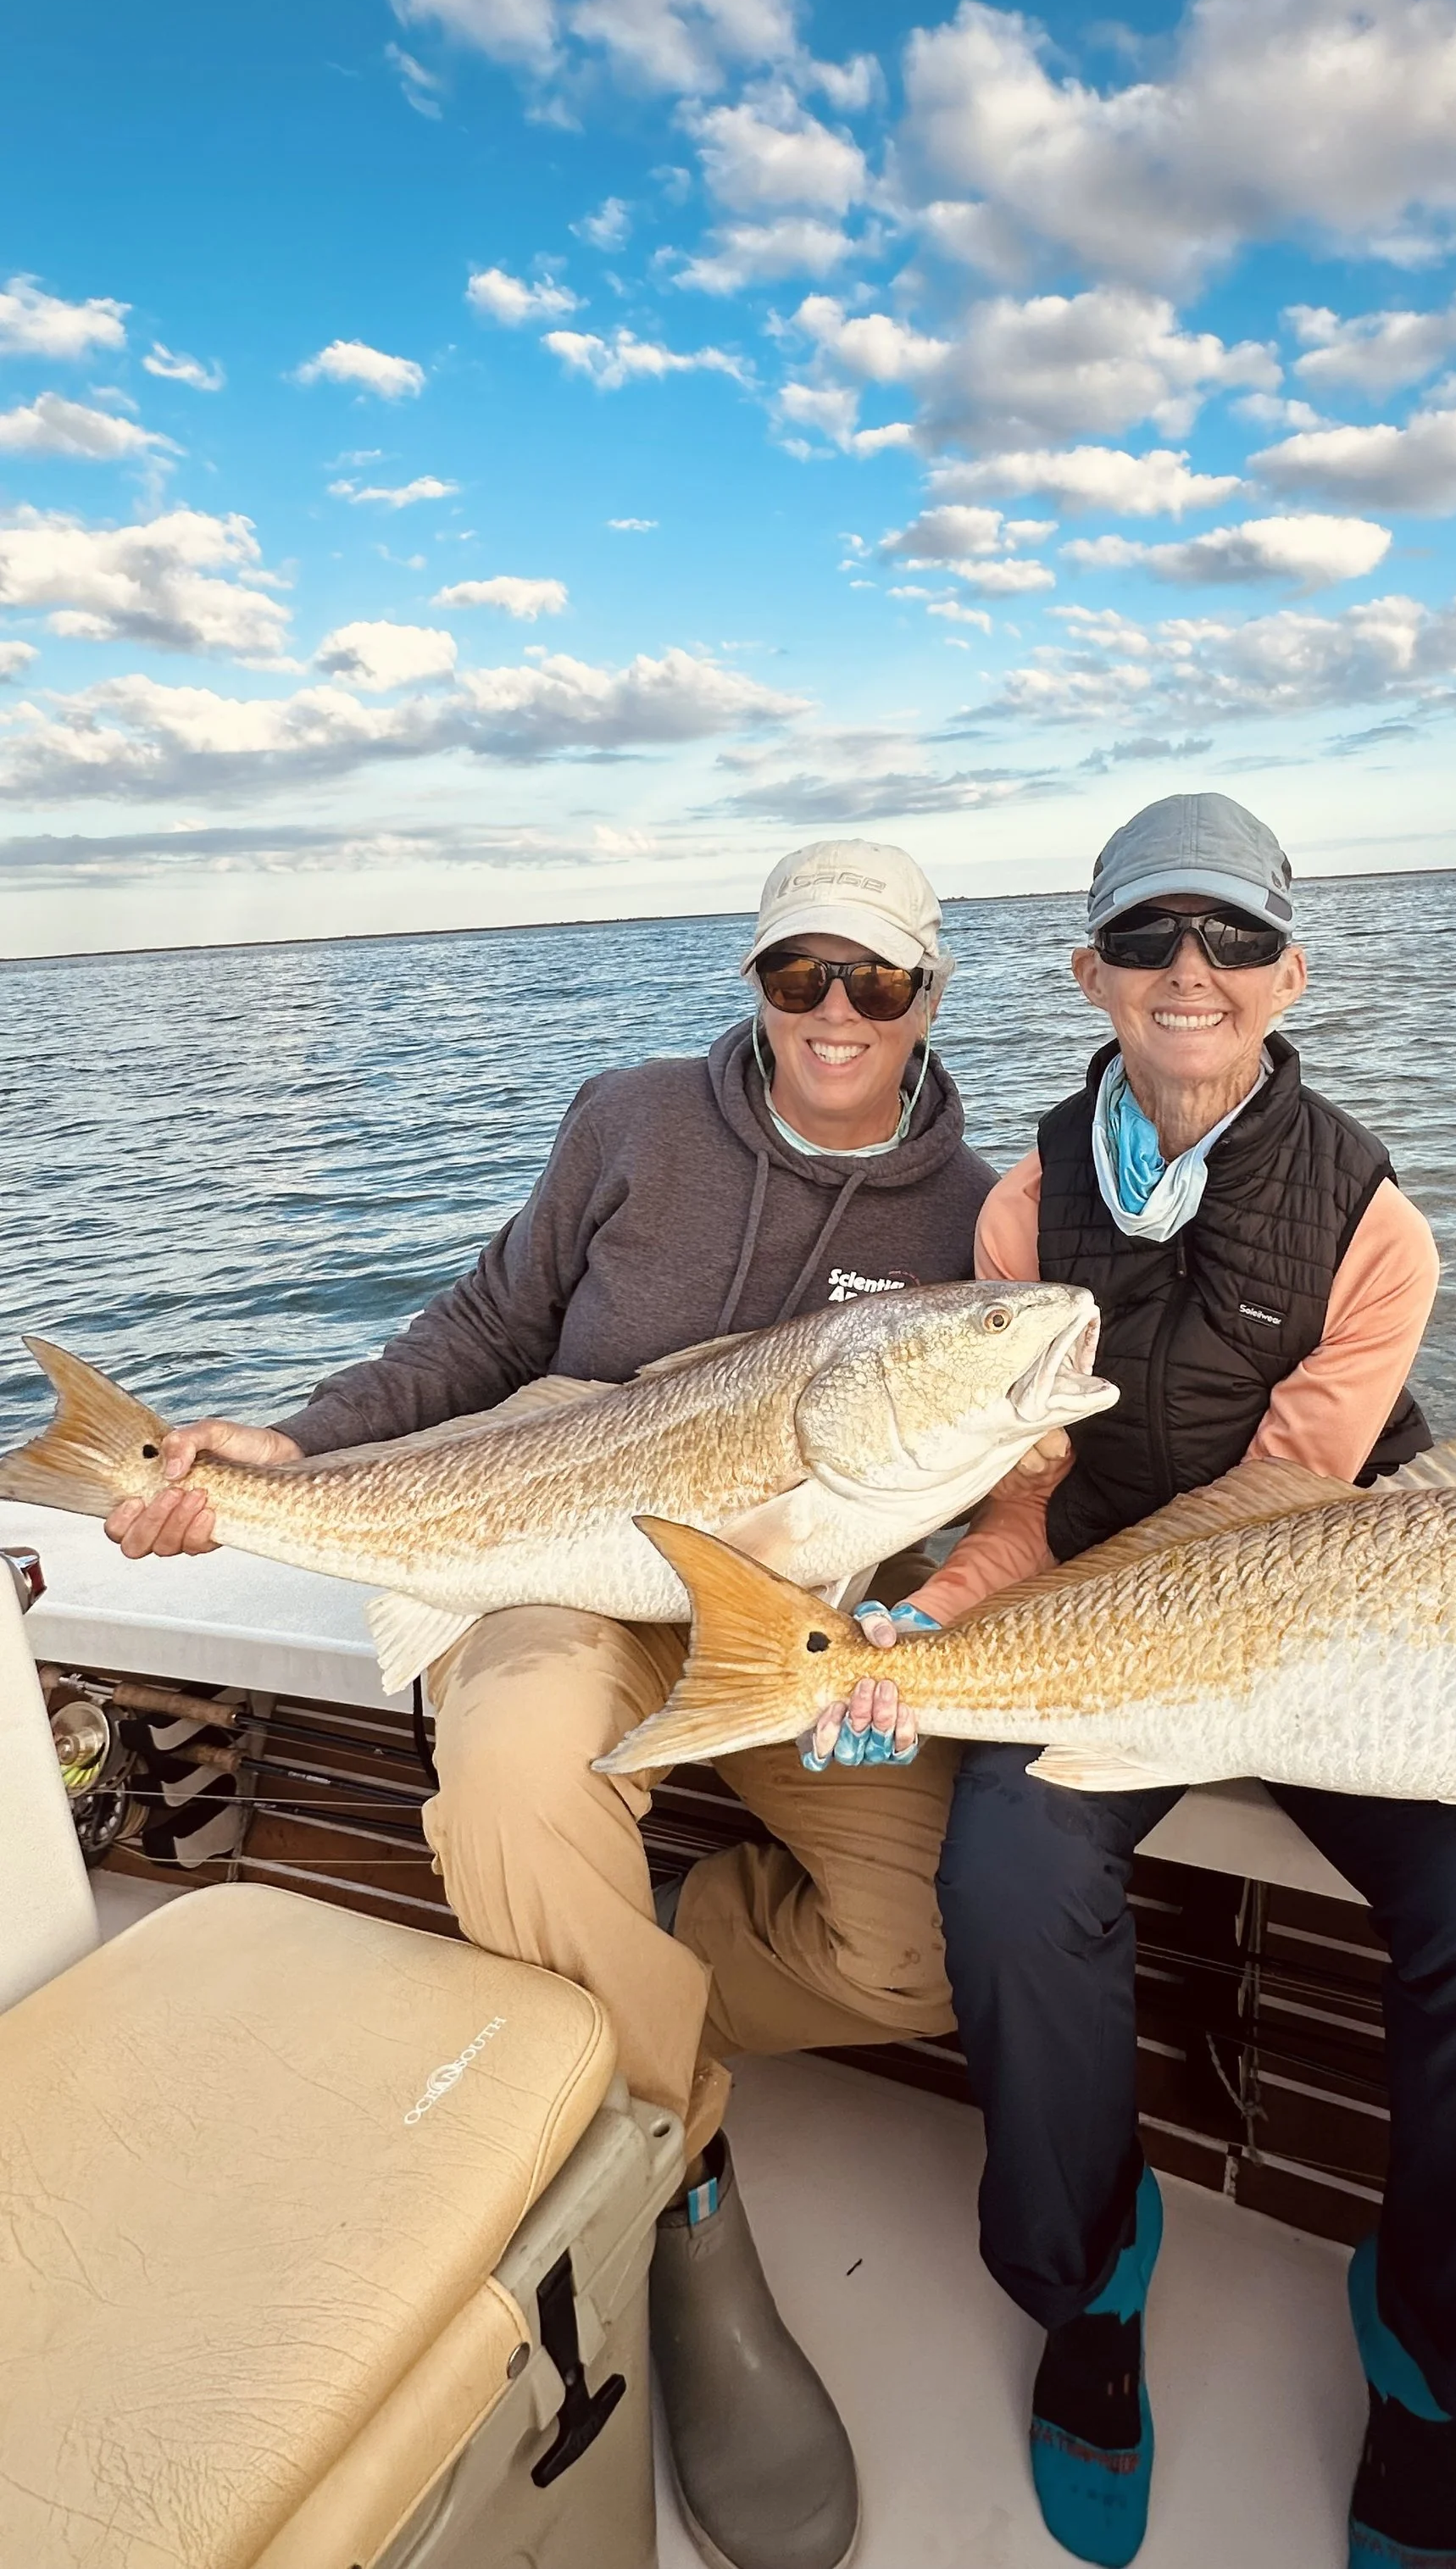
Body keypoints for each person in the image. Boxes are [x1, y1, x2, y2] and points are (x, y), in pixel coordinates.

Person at [103, 837, 997, 2569]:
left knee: (924, 1951)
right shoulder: (628, 1118)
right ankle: (683, 2184)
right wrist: (285, 1446)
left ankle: (598, 1960)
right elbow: (487, 1324)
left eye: (872, 981)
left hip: (797, 1616)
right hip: (547, 1553)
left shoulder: (977, 1214)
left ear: (926, 998)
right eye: (796, 973)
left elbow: (998, 1480)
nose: (832, 1012)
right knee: (513, 1781)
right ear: (752, 983)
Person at [814, 795, 1456, 2569]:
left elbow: (1294, 1501)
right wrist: (946, 1615)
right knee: (1004, 1877)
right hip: (1110, 1630)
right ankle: (1085, 2286)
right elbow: (1023, 1493)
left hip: (1352, 1632)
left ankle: (1429, 2362)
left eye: (1224, 939)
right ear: (1088, 973)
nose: (1184, 973)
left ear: (1288, 969)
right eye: (1143, 939)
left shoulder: (1378, 1226)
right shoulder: (1021, 1205)